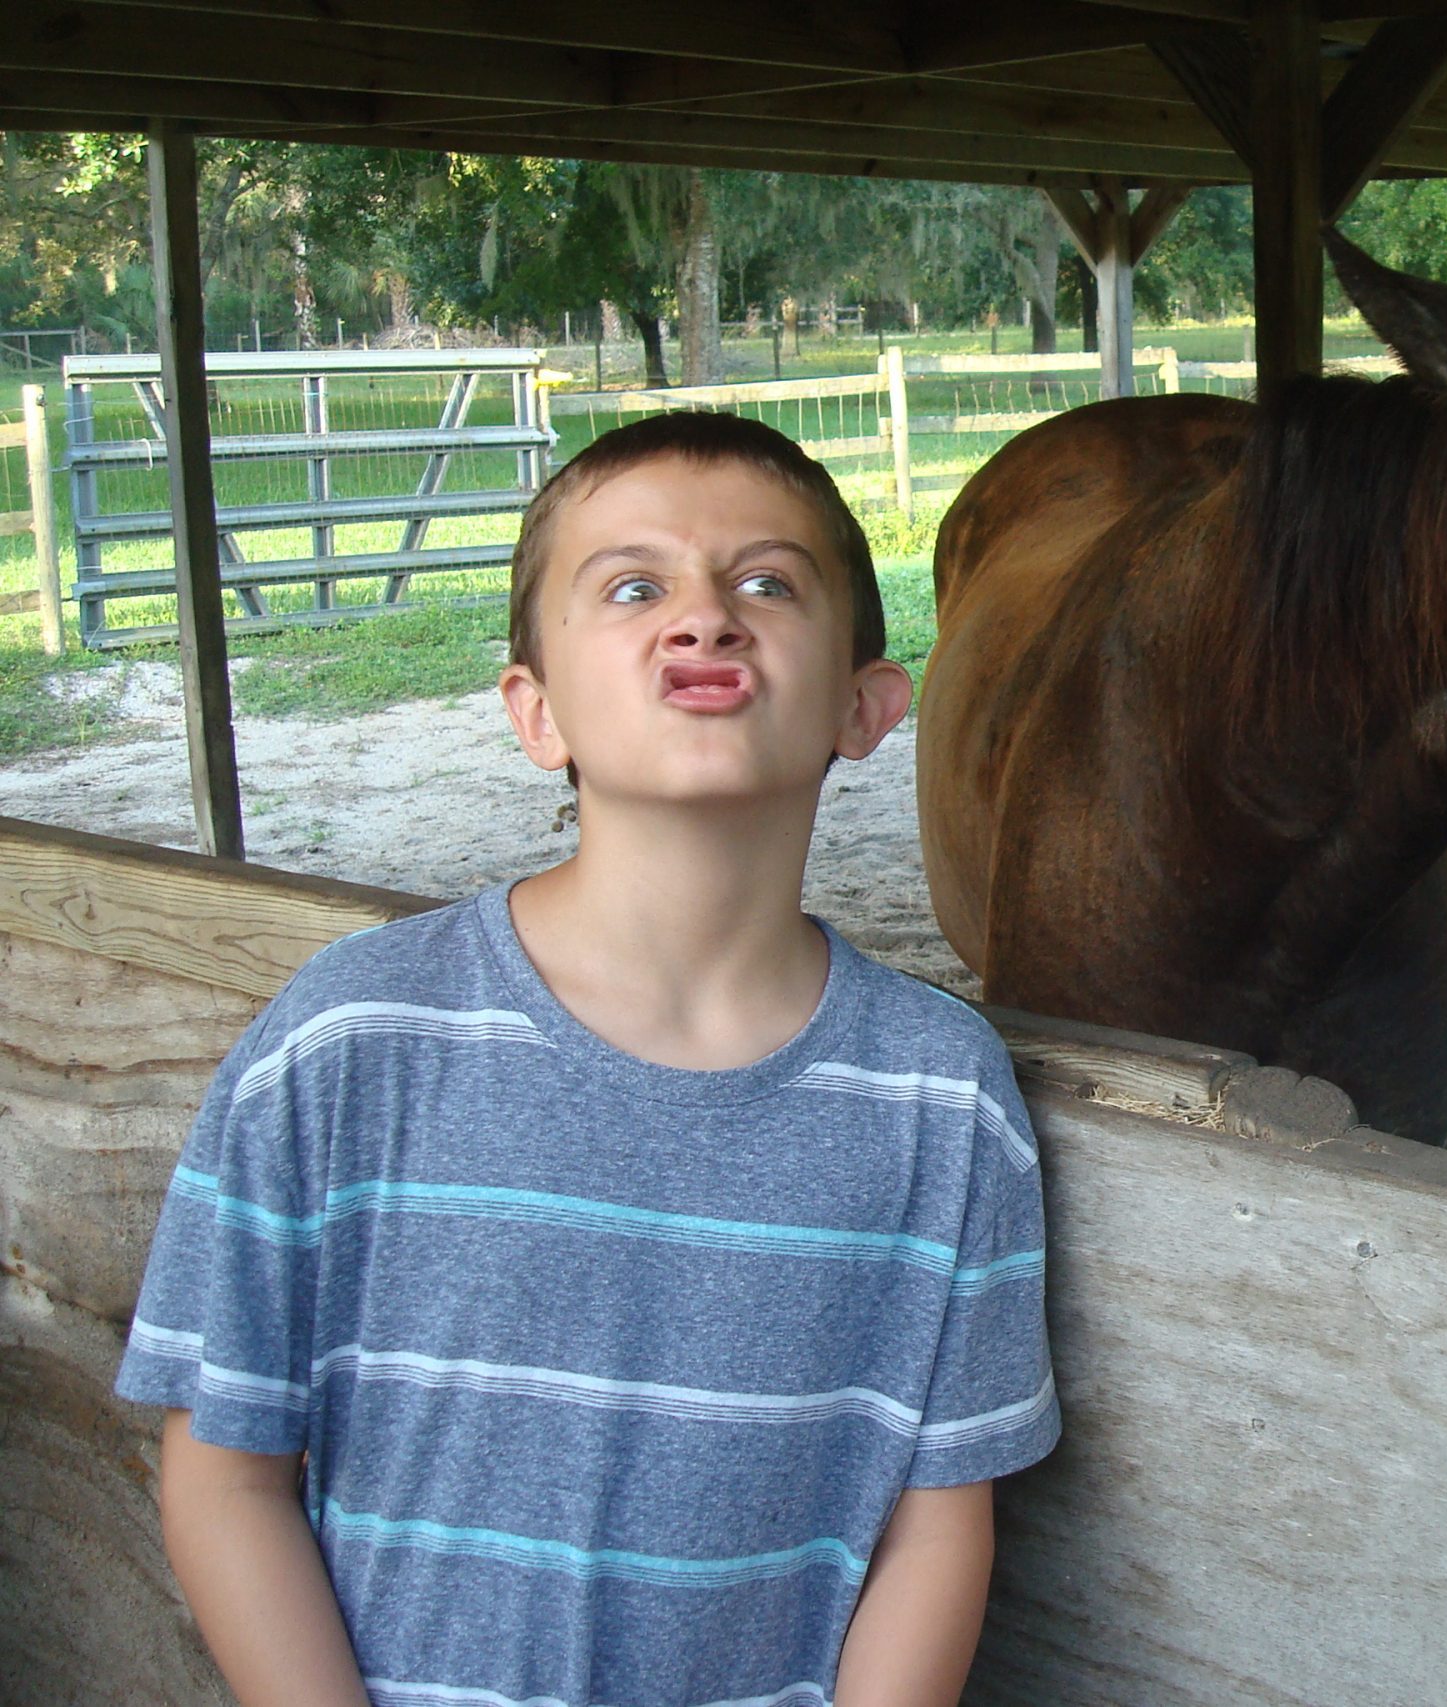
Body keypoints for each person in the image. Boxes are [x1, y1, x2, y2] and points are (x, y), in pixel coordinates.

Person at [115, 411, 1058, 1707]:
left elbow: (937, 1528)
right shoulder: (347, 1045)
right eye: (632, 585)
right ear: (536, 709)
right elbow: (224, 1476)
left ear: (866, 704)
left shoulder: (943, 1096)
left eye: (768, 583)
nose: (706, 618)